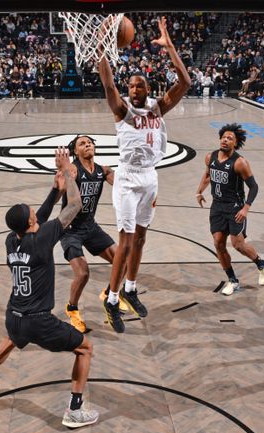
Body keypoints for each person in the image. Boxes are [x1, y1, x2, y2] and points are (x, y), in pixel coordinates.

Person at [0, 148, 99, 429]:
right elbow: (75, 207)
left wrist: (54, 191)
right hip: (40, 321)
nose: (33, 213)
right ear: (30, 223)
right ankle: (75, 410)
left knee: (13, 337)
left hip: (14, 314)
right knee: (84, 348)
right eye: (30, 213)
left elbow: (39, 217)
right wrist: (67, 173)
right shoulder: (42, 238)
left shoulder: (11, 241)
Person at [97, 16, 190, 333]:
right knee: (124, 242)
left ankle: (131, 289)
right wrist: (101, 45)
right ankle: (111, 300)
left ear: (148, 89)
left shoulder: (158, 108)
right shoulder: (122, 110)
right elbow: (108, 84)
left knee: (141, 239)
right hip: (127, 178)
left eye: (140, 85)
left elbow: (185, 83)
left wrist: (170, 46)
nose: (135, 88)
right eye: (131, 85)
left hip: (150, 177)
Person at [56, 135, 121, 333]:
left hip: (90, 226)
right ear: (75, 151)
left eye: (90, 142)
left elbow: (123, 186)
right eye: (82, 144)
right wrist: (64, 171)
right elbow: (62, 184)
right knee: (83, 273)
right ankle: (72, 309)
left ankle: (109, 294)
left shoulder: (103, 170)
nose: (88, 145)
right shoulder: (74, 169)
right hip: (70, 231)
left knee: (122, 261)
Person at [195, 124, 264, 295]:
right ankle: (233, 280)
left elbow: (254, 187)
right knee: (218, 244)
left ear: (236, 143)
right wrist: (199, 191)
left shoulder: (240, 162)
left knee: (238, 245)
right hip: (217, 206)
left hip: (235, 207)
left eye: (230, 138)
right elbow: (208, 174)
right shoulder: (210, 157)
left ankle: (261, 264)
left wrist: (246, 209)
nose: (225, 140)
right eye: (224, 137)